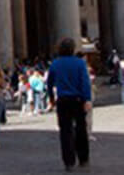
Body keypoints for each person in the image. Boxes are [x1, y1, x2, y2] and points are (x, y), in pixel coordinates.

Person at [47, 38, 91, 172]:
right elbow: (85, 82)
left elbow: (49, 83)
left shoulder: (55, 64)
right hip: (78, 99)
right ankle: (83, 158)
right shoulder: (79, 63)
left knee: (65, 131)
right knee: (81, 129)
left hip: (63, 100)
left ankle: (68, 161)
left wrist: (51, 98)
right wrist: (87, 99)